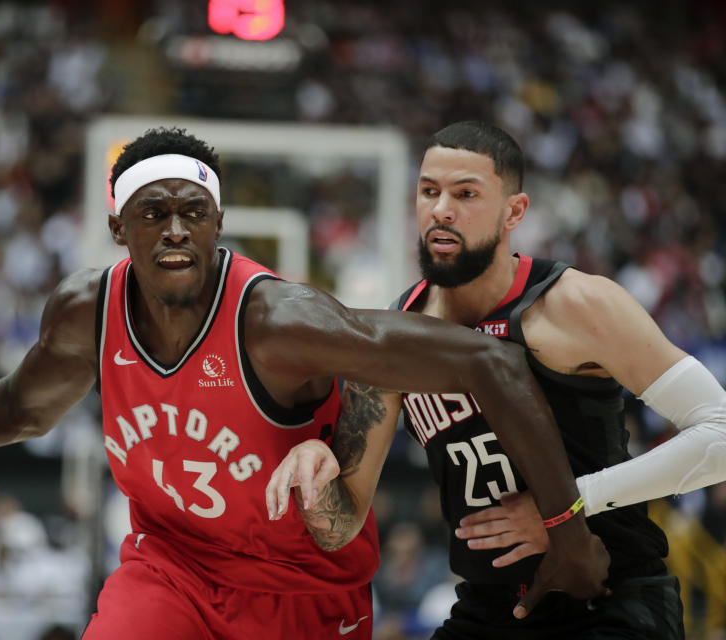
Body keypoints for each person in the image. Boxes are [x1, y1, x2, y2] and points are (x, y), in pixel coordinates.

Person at [0, 127, 608, 639]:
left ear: (217, 223)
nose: (174, 228)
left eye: (192, 212)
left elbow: (487, 361)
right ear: (118, 226)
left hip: (302, 593)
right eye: (152, 212)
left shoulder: (281, 322)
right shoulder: (83, 310)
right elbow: (15, 406)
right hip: (169, 568)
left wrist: (566, 525)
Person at [266, 120, 726, 639]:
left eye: (466, 193)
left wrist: (567, 505)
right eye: (428, 191)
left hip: (608, 595)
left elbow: (721, 433)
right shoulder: (398, 334)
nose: (441, 209)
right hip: (492, 608)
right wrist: (314, 465)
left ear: (515, 211)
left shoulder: (575, 304)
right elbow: (340, 524)